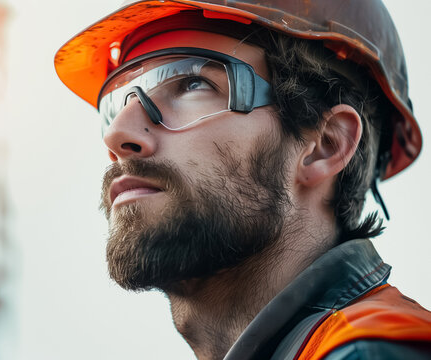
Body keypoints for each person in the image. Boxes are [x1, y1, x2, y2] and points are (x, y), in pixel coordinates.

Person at [54, 1, 431, 359]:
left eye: (192, 83)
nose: (117, 135)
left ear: (324, 146)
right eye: (117, 104)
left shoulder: (372, 351)